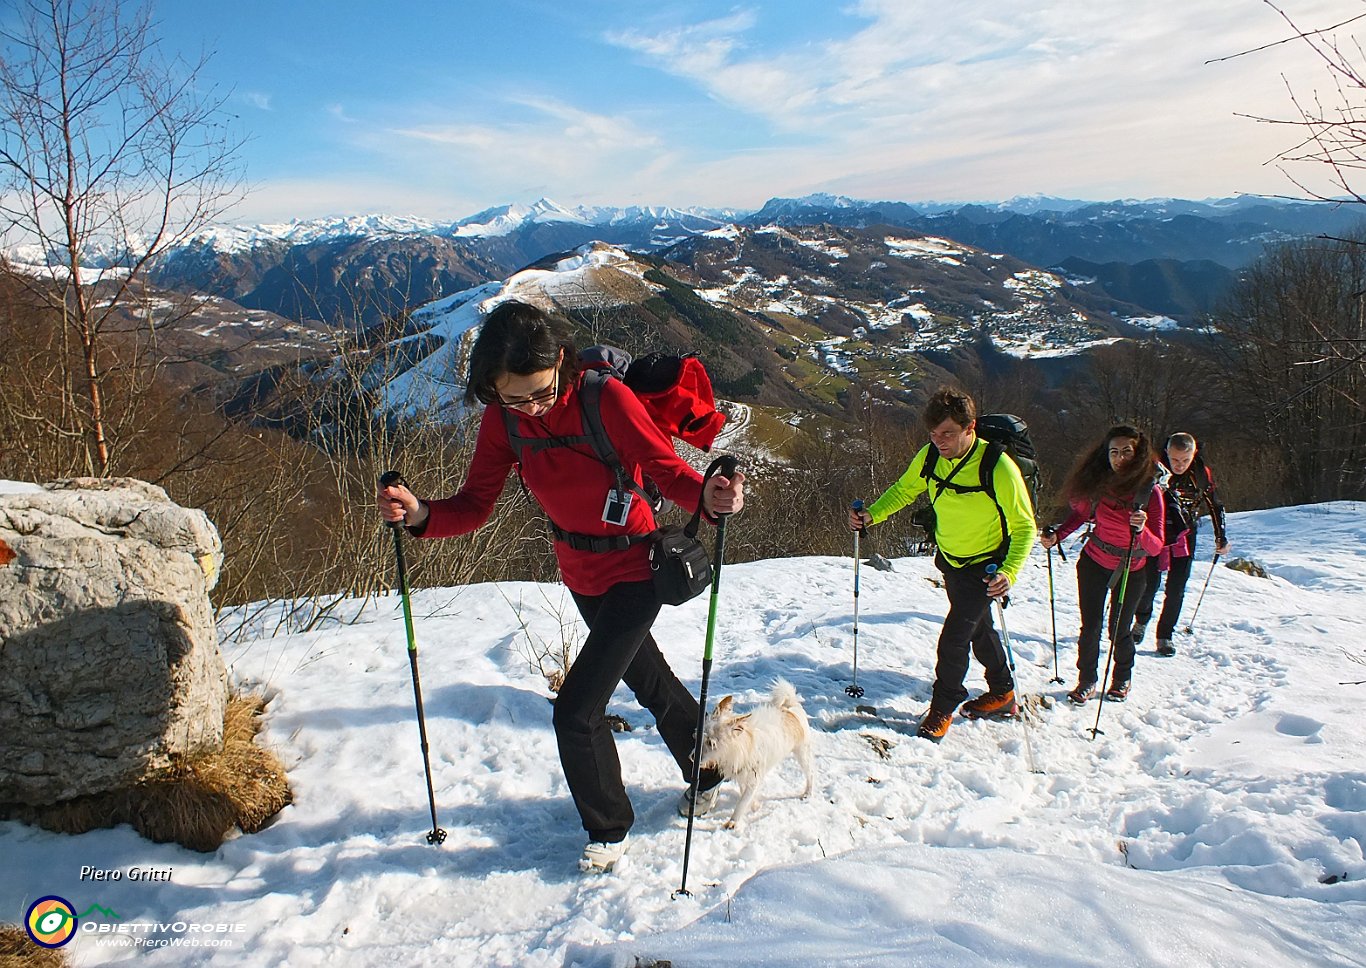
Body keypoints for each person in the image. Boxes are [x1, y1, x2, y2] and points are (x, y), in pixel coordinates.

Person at [376, 300, 744, 873]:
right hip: (579, 572)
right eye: (513, 396)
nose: (530, 407)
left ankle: (609, 830)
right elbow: (474, 505)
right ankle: (711, 767)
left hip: (636, 567)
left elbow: (665, 466)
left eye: (542, 392)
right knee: (649, 679)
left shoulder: (605, 398)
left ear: (562, 364)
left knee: (575, 711)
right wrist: (419, 511)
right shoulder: (502, 420)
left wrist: (711, 494)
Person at [847, 387, 1037, 743]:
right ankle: (1002, 690)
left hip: (986, 566)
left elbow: (1024, 524)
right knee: (978, 628)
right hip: (951, 559)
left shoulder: (996, 465)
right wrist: (873, 514)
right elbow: (905, 490)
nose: (939, 442)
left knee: (954, 638)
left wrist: (1009, 570)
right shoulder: (930, 457)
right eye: (933, 435)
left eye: (948, 434)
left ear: (971, 428)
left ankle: (943, 706)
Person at [1039, 425, 1165, 704]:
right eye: (1114, 452)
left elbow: (1156, 545)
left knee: (1119, 629)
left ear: (1138, 454)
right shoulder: (1098, 484)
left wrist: (1142, 529)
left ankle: (1122, 679)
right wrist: (1057, 535)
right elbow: (1079, 515)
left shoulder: (1149, 492)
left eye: (1126, 452)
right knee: (1091, 626)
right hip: (1094, 562)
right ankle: (1087, 681)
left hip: (1131, 569)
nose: (1119, 458)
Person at [1132, 433, 1230, 656]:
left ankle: (1165, 635)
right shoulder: (1154, 469)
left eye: (1185, 460)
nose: (1179, 465)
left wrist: (1220, 536)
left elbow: (1215, 504)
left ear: (1193, 454)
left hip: (1184, 533)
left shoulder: (1200, 472)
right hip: (1156, 532)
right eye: (1175, 460)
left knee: (1176, 588)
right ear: (1167, 452)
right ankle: (1141, 620)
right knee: (1148, 584)